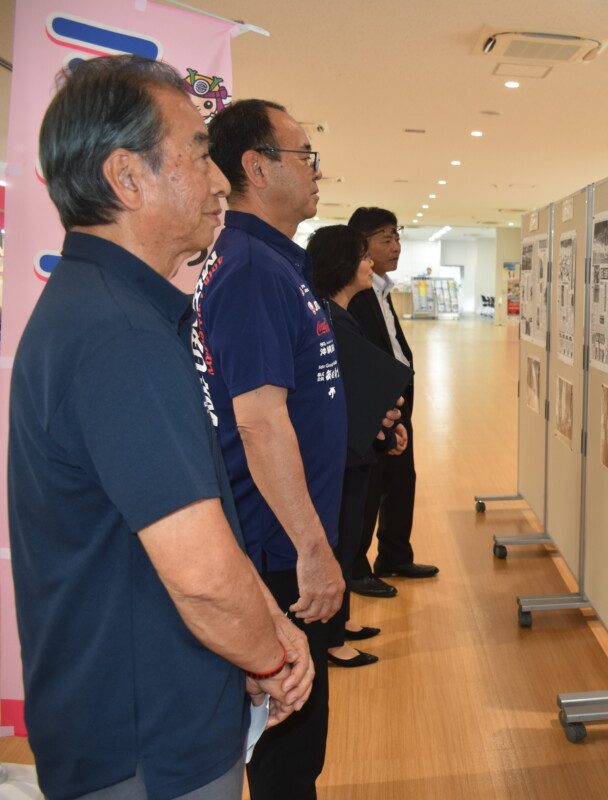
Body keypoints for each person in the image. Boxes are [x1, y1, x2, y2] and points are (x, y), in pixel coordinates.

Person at [9, 56, 313, 800]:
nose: (220, 183)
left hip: (134, 718)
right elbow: (203, 579)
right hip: (148, 745)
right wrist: (271, 659)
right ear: (128, 177)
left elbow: (189, 525)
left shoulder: (104, 310)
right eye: (200, 155)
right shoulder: (119, 338)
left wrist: (264, 626)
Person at [197, 98, 346, 800]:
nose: (317, 170)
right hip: (280, 551)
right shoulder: (254, 268)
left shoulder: (275, 263)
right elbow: (258, 422)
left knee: (291, 747)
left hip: (284, 541)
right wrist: (313, 551)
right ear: (257, 168)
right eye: (305, 154)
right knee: (289, 753)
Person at [308, 225, 412, 668]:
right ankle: (332, 640)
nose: (371, 264)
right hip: (344, 452)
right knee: (342, 538)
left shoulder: (338, 313)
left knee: (349, 538)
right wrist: (385, 424)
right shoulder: (329, 317)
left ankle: (342, 621)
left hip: (356, 445)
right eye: (364, 258)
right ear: (344, 264)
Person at [347, 207, 440, 590]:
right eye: (386, 239)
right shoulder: (357, 292)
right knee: (369, 488)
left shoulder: (382, 289)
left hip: (398, 401)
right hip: (374, 405)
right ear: (362, 245)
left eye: (397, 237)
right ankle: (356, 568)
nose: (396, 246)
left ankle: (395, 556)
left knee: (401, 482)